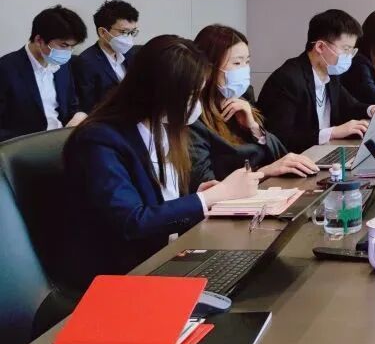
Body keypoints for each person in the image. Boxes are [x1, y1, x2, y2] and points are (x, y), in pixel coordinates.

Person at [61, 35, 264, 287]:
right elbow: (131, 222)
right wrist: (209, 198)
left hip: (169, 254)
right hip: (122, 273)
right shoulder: (99, 140)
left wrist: (196, 196)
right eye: (191, 95)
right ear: (159, 92)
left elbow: (160, 199)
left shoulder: (164, 127)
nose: (196, 104)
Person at [257, 9, 375, 154]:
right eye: (346, 49)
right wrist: (332, 132)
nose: (349, 57)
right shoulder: (288, 79)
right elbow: (281, 137)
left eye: (352, 50)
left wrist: (373, 110)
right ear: (320, 47)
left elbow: (349, 105)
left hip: (326, 151)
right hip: (300, 158)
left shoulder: (330, 73)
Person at [190, 24, 319, 186]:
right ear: (209, 67)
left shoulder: (244, 99)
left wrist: (255, 129)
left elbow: (281, 156)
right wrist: (264, 173)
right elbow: (206, 185)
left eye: (247, 62)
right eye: (237, 63)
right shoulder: (194, 117)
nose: (244, 70)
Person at [0, 5, 88, 142]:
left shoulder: (62, 66)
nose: (68, 52)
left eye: (72, 46)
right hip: (25, 146)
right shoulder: (6, 68)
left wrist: (78, 116)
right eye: (64, 45)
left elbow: (71, 105)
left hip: (62, 140)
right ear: (39, 40)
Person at [74, 0, 141, 112]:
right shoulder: (86, 63)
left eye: (132, 32)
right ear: (103, 32)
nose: (129, 38)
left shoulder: (131, 54)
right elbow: (88, 107)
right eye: (123, 32)